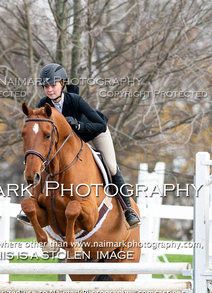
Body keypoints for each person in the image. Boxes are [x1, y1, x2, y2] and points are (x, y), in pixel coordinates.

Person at [17, 63, 141, 229]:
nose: (50, 90)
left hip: (93, 132)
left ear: (63, 83)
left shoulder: (75, 100)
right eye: (46, 86)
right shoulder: (43, 103)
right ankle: (32, 201)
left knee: (111, 166)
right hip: (69, 143)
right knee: (40, 162)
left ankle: (128, 210)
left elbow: (99, 125)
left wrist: (79, 126)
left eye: (53, 85)